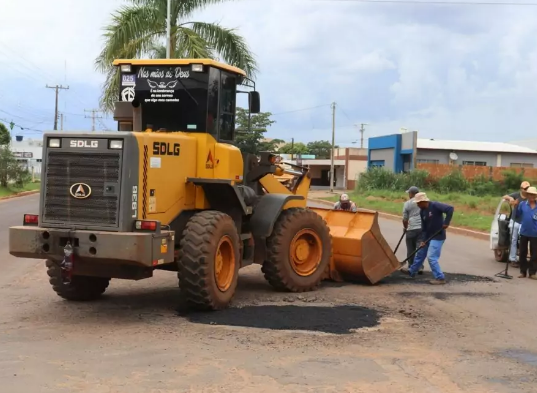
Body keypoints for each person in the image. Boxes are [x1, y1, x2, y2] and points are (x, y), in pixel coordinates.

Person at [401, 192, 454, 285]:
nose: (417, 205)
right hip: (428, 236)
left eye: (418, 203)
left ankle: (440, 278)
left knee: (431, 257)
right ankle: (412, 271)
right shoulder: (422, 211)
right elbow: (424, 227)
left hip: (438, 236)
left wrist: (446, 222)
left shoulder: (435, 205)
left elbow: (450, 209)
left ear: (423, 201)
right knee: (420, 253)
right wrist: (423, 240)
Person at [502, 181, 530, 268]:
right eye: (525, 188)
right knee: (513, 240)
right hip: (515, 221)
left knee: (522, 240)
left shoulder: (530, 196)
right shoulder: (517, 195)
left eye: (528, 188)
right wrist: (510, 198)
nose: (526, 190)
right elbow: (505, 196)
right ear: (521, 189)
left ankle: (522, 259)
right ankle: (512, 259)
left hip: (524, 222)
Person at [514, 186, 537, 279]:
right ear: (527, 195)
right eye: (530, 194)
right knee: (522, 253)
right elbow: (517, 215)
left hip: (535, 233)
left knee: (535, 253)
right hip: (524, 232)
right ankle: (523, 272)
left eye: (533, 195)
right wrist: (515, 207)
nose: (531, 196)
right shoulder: (522, 204)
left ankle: (532, 272)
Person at [402, 186, 423, 274]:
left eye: (409, 193)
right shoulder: (422, 202)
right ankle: (419, 266)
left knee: (411, 249)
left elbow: (405, 219)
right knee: (419, 248)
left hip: (411, 228)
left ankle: (411, 266)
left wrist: (405, 227)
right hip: (422, 228)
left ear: (411, 194)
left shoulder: (407, 203)